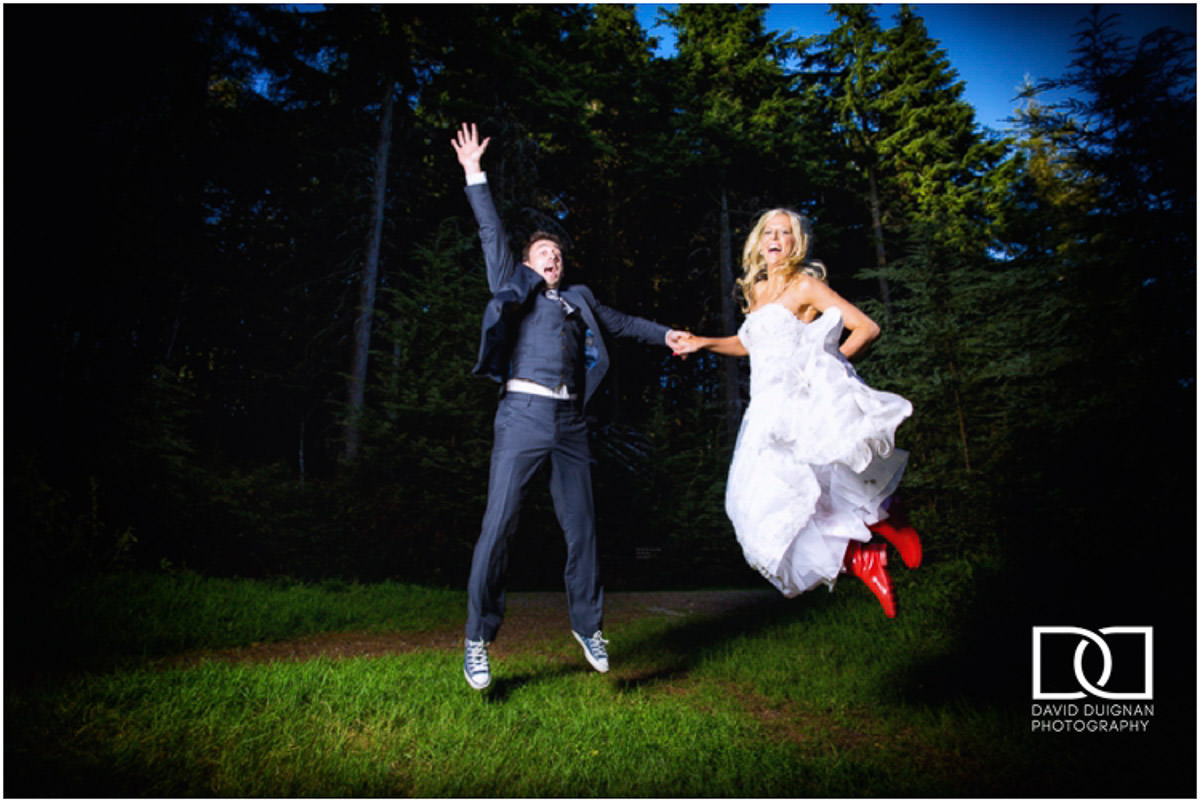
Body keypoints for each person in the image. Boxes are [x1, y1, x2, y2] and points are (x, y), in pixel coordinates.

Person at [451, 123, 690, 690]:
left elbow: (626, 324)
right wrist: (473, 174)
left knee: (582, 529)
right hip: (522, 417)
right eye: (542, 252)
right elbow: (490, 231)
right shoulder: (514, 283)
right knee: (499, 525)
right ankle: (478, 638)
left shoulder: (579, 299)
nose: (551, 257)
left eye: (556, 253)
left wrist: (668, 336)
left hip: (570, 425)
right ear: (529, 262)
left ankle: (588, 625)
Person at [673, 208, 922, 616]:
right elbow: (751, 343)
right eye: (768, 231)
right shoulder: (757, 292)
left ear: (796, 242)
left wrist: (825, 367)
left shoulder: (805, 286)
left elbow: (866, 328)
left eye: (784, 232)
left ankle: (880, 533)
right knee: (755, 508)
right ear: (758, 241)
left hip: (799, 407)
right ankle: (866, 554)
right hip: (764, 414)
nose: (775, 238)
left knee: (806, 497)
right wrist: (703, 342)